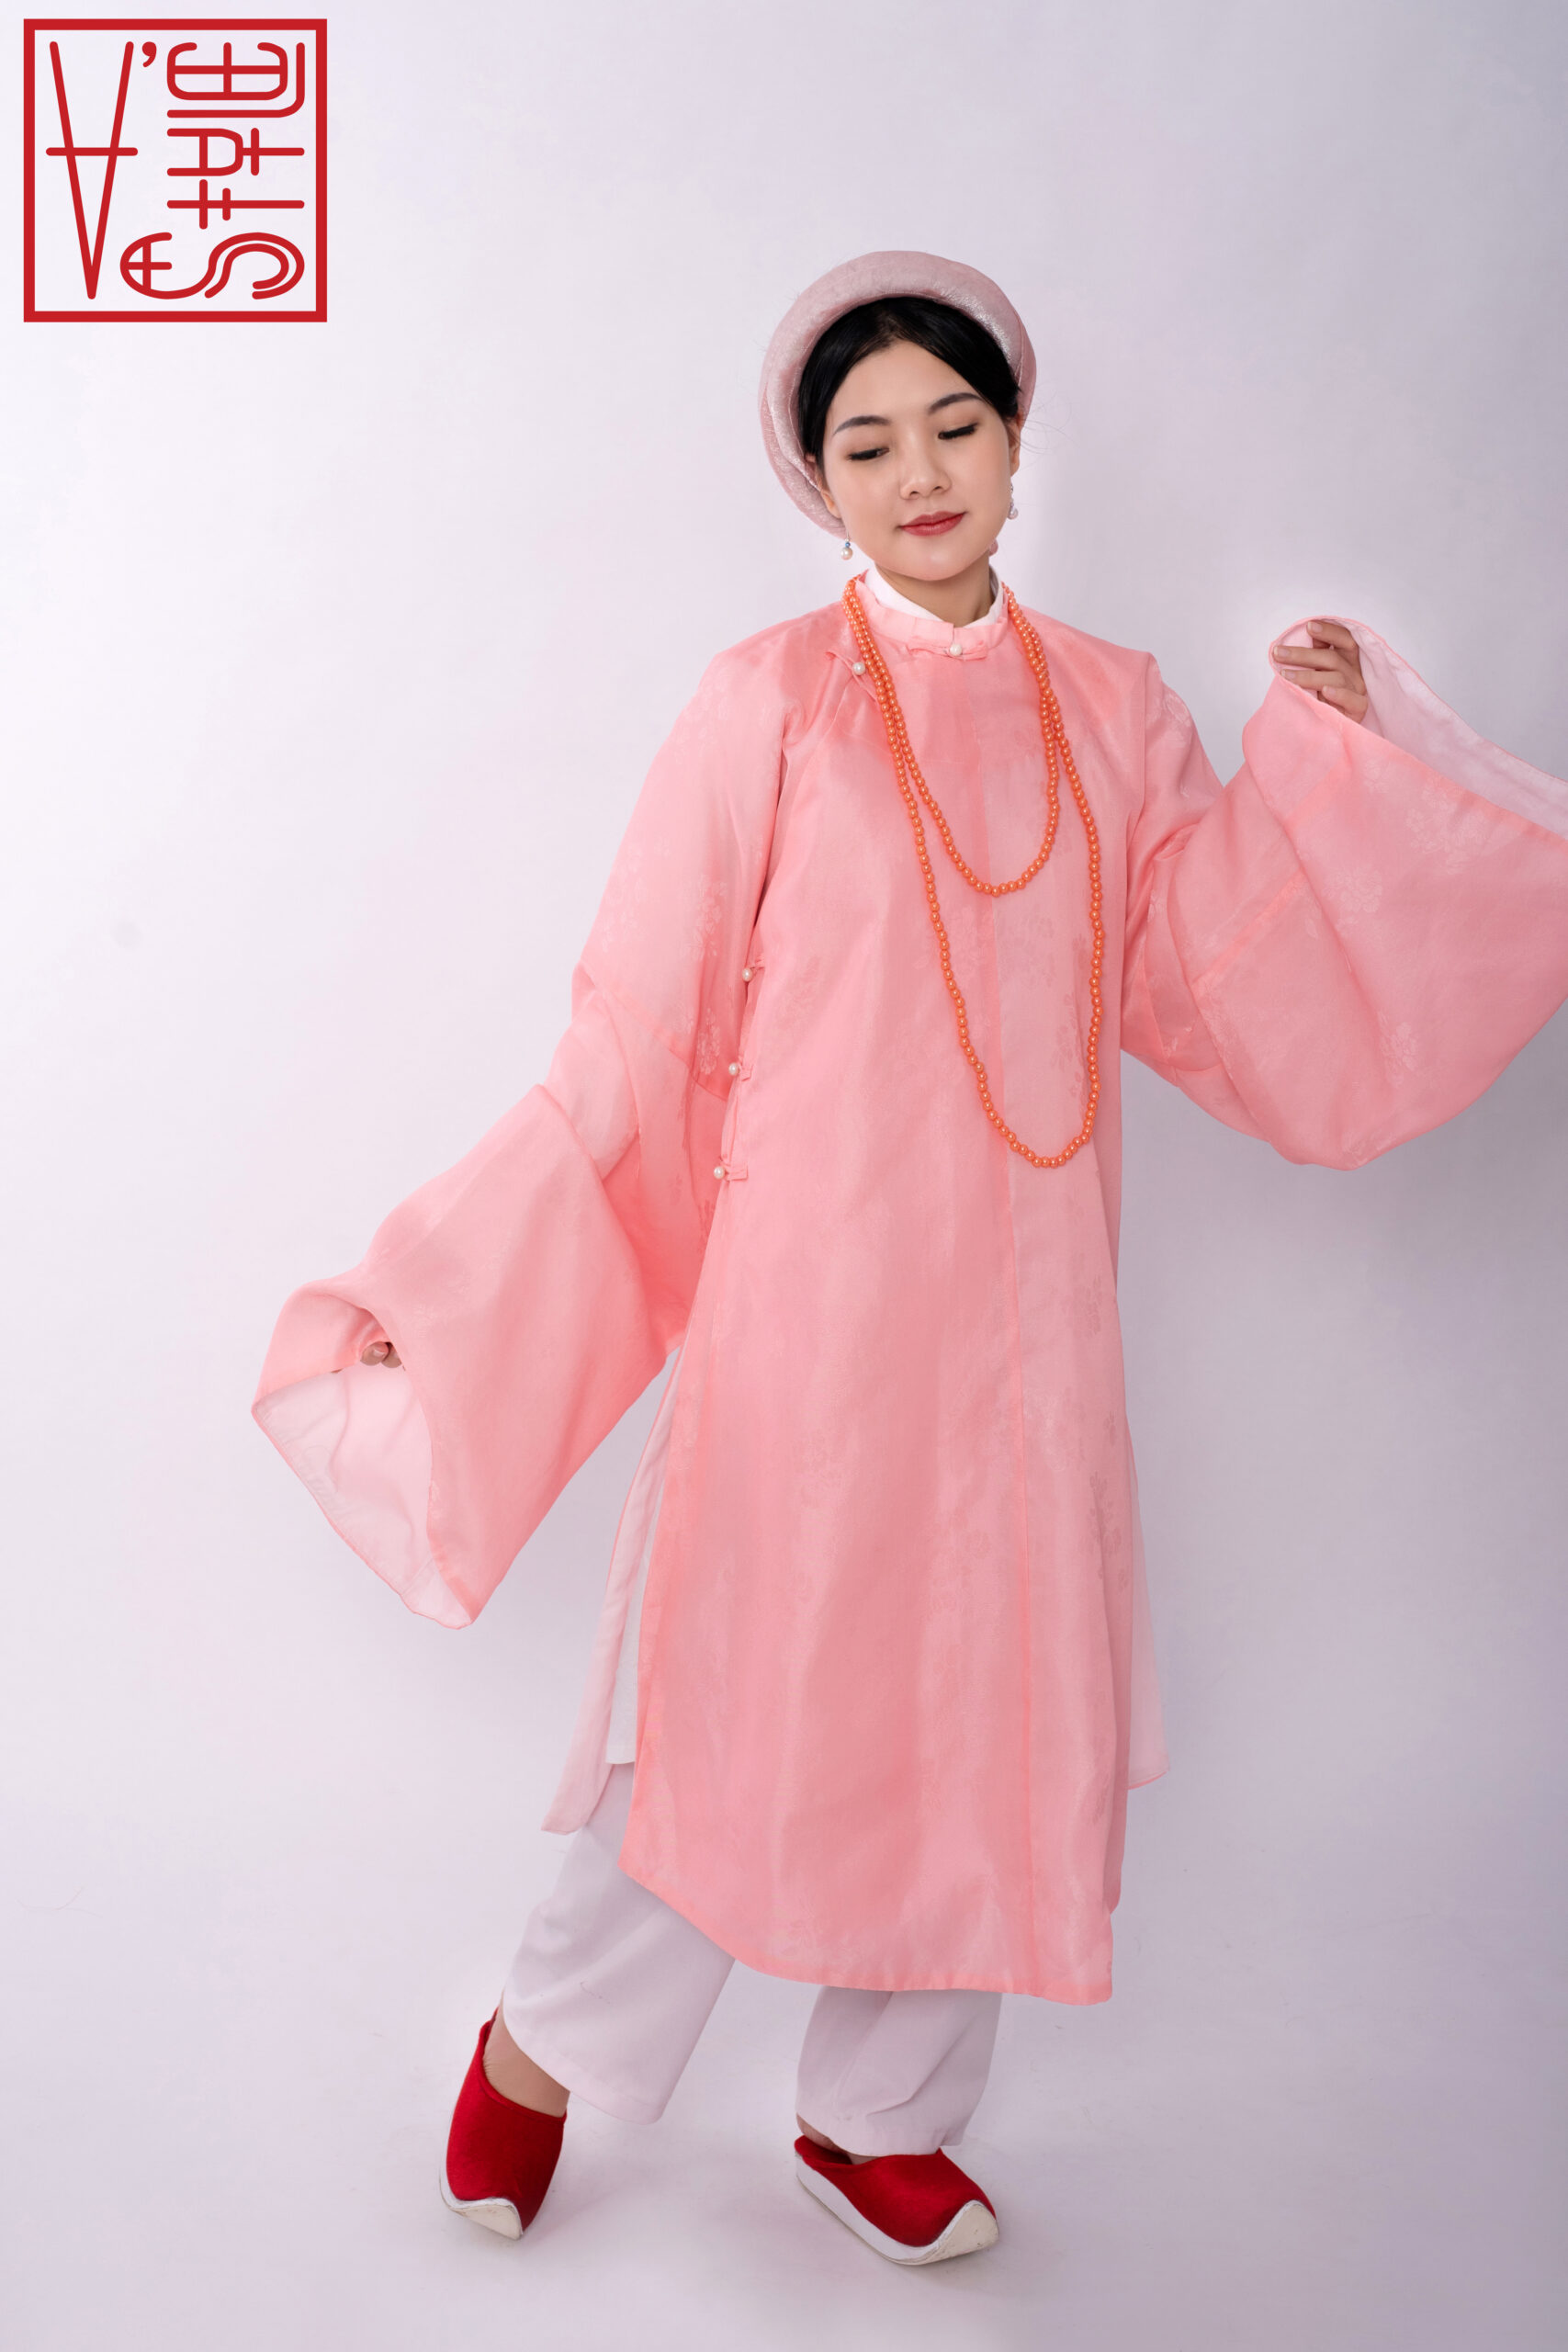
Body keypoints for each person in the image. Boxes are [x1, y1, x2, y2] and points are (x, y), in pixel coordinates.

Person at [254, 251, 1568, 2267]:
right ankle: (542, 2044)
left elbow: (1221, 976)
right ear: (821, 483)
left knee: (984, 1717)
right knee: (742, 1711)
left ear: (1017, 442)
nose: (919, 471)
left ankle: (876, 2115)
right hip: (809, 1310)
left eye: (954, 425)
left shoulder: (1114, 707)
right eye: (867, 445)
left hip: (1026, 1325)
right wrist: (466, 1279)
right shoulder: (764, 701)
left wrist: (1339, 760)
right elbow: (637, 1030)